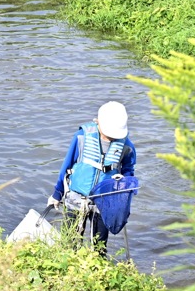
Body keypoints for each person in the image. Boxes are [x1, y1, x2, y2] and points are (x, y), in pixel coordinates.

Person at [47, 101, 136, 252]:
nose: (110, 138)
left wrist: (123, 188)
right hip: (76, 198)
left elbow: (128, 170)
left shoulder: (126, 146)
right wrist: (57, 193)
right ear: (98, 122)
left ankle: (97, 270)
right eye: (108, 134)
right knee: (70, 243)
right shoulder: (82, 137)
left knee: (100, 246)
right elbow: (67, 164)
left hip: (104, 201)